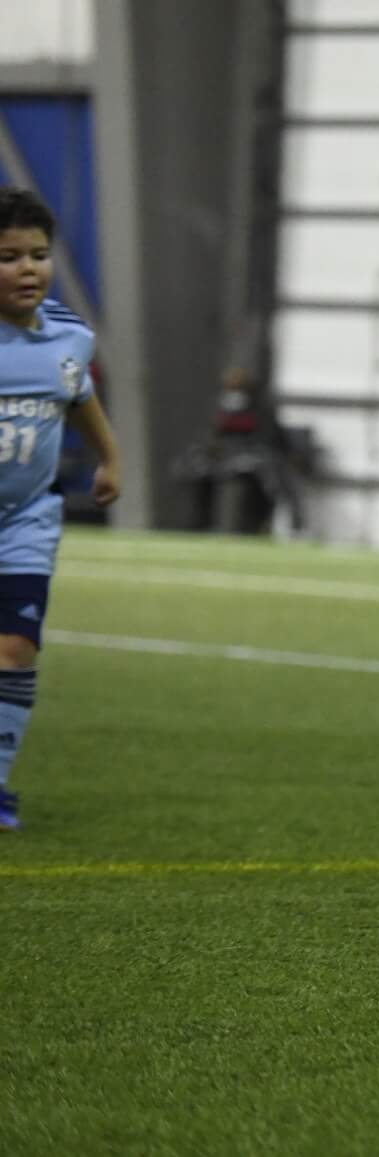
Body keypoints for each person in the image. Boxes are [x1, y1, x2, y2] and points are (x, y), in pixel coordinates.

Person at [0, 187, 122, 830]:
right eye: (8, 256)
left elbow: (80, 397)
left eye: (38, 255)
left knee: (15, 649)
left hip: (25, 519)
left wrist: (110, 457)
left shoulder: (69, 339)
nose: (28, 269)